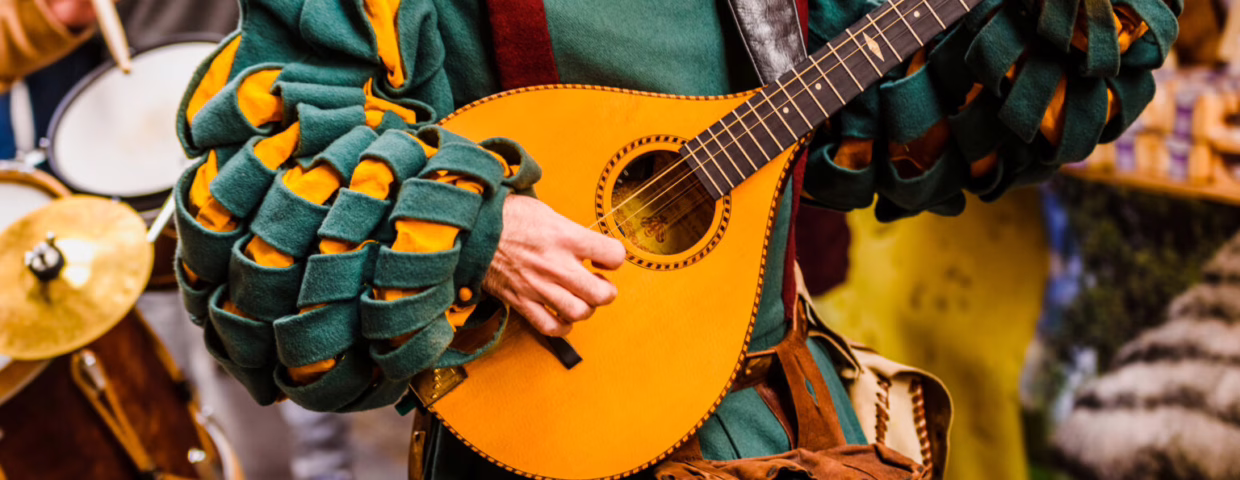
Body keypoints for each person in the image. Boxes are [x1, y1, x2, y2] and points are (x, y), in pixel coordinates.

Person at [172, 0, 1179, 478]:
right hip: (555, 440)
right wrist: (479, 229)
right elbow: (257, 188)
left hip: (794, 426)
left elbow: (913, 115)